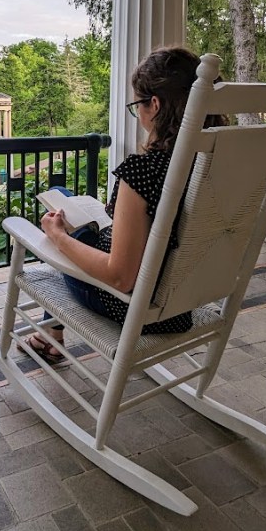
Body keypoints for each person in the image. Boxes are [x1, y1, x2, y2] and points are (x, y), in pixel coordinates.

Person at [26, 46, 226, 364]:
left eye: (137, 106)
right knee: (64, 195)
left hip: (130, 304)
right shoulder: (215, 166)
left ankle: (50, 331)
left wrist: (58, 238)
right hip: (179, 302)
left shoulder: (145, 169)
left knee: (58, 222)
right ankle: (50, 333)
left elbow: (121, 277)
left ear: (155, 104)